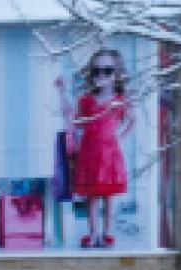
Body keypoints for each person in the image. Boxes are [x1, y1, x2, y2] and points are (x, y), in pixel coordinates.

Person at [55, 49, 133, 248]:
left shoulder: (120, 101)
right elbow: (73, 119)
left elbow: (132, 121)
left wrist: (119, 138)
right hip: (90, 152)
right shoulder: (86, 101)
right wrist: (62, 93)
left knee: (108, 195)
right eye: (96, 71)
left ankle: (107, 232)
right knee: (92, 196)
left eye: (107, 71)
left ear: (116, 75)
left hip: (109, 154)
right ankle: (93, 232)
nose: (101, 76)